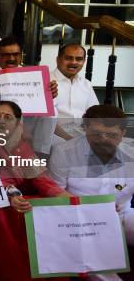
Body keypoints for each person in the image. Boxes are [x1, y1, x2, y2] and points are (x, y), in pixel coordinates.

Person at [0, 101, 69, 281]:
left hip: (19, 205)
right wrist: (11, 194)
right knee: (5, 212)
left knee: (42, 206)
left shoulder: (22, 147)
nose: (1, 121)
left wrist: (71, 199)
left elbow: (43, 181)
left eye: (8, 117)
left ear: (17, 123)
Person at [49, 105, 134, 256]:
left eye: (112, 135)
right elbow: (55, 194)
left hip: (122, 215)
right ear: (85, 128)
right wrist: (93, 208)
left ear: (123, 134)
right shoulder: (63, 152)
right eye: (96, 134)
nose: (103, 140)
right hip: (79, 217)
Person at [51, 43, 99, 142]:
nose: (73, 62)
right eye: (68, 58)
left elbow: (94, 114)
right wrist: (71, 140)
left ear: (84, 61)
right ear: (58, 60)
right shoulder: (46, 80)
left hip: (81, 134)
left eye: (79, 59)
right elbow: (44, 121)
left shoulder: (86, 84)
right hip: (53, 136)